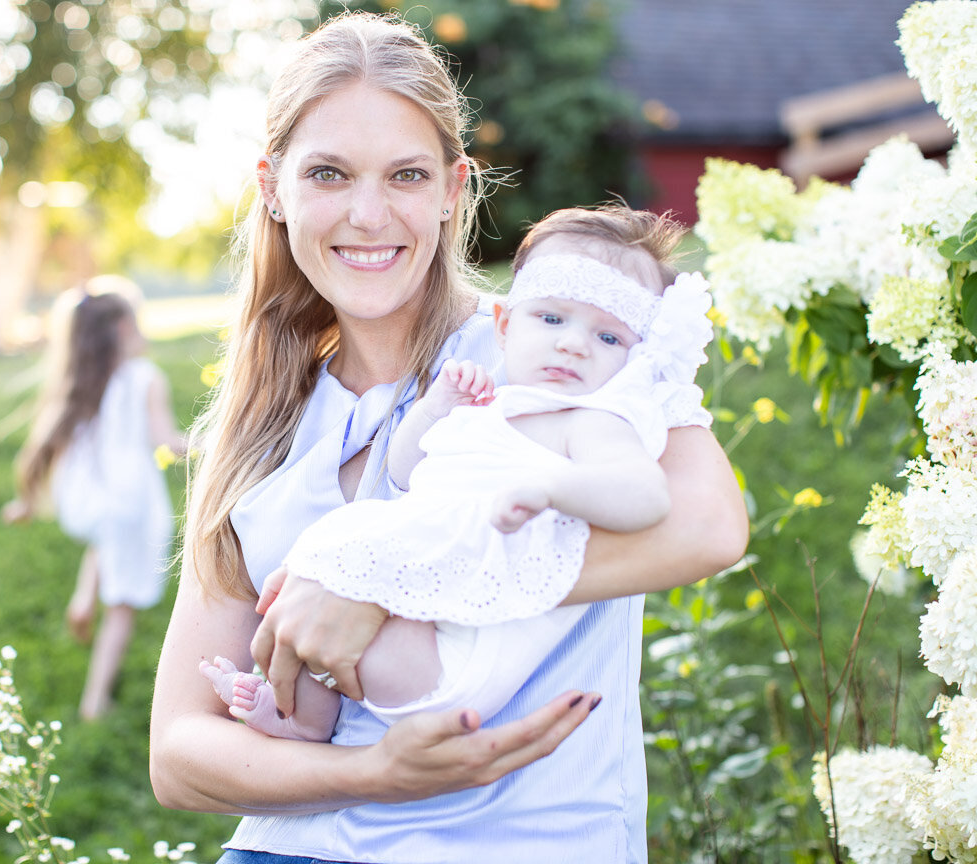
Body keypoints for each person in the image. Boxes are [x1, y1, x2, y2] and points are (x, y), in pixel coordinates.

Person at [149, 11, 748, 864]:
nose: (368, 213)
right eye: (328, 173)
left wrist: (378, 582)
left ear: (452, 189)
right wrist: (376, 774)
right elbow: (179, 759)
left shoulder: (554, 348)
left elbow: (708, 524)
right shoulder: (257, 425)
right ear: (273, 186)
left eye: (404, 174)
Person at [200, 204, 715, 742]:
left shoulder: (590, 422)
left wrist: (553, 487)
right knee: (335, 538)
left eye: (609, 338)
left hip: (458, 654)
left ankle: (306, 706)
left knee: (344, 551)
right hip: (422, 619)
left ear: (635, 361)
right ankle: (303, 716)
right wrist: (435, 407)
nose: (573, 343)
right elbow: (403, 472)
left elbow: (646, 496)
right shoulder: (494, 405)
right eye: (553, 318)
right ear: (505, 325)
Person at [3, 276, 187, 720]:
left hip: (84, 502)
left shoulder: (80, 382)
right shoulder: (145, 378)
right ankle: (94, 701)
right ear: (123, 329)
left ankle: (85, 596)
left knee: (106, 539)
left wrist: (27, 502)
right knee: (120, 608)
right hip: (128, 504)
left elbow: (44, 444)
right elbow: (167, 442)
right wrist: (217, 440)